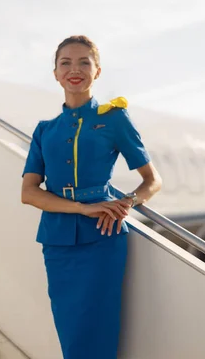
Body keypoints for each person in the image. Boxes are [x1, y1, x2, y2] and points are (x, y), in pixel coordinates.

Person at [21, 35, 162, 358]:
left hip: (104, 235)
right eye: (66, 63)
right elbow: (28, 193)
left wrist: (128, 202)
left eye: (84, 62)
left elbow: (152, 181)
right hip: (57, 241)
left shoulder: (113, 118)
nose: (75, 69)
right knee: (71, 333)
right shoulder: (45, 130)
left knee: (98, 329)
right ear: (55, 73)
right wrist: (80, 208)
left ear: (97, 71)